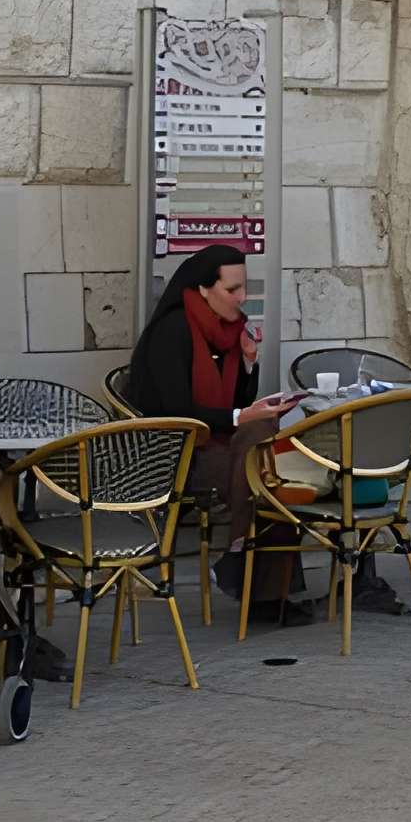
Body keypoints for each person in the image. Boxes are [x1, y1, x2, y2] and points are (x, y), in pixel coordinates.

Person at [125, 243, 305, 622]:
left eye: (244, 288)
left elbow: (237, 401)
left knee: (263, 451)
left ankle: (246, 564)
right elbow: (178, 411)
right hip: (173, 451)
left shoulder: (228, 334)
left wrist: (248, 362)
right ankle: (254, 578)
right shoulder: (173, 331)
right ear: (204, 289)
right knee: (263, 471)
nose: (242, 298)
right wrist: (242, 415)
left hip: (215, 443)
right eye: (232, 289)